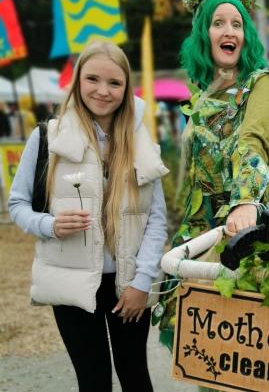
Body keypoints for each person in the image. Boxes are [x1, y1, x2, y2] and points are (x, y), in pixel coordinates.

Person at [8, 40, 169, 392]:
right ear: (78, 80)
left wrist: (142, 282)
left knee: (136, 378)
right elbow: (17, 204)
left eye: (114, 83)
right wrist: (49, 225)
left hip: (128, 286)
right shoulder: (47, 138)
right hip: (72, 284)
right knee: (93, 381)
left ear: (127, 89)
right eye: (92, 79)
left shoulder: (142, 144)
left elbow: (156, 219)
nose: (102, 91)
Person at [157, 0, 269, 357]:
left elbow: (253, 143)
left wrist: (244, 201)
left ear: (246, 36)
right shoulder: (200, 95)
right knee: (203, 352)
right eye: (218, 23)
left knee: (246, 349)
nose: (229, 32)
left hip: (242, 228)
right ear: (203, 34)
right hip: (197, 229)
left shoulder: (259, 83)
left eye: (237, 24)